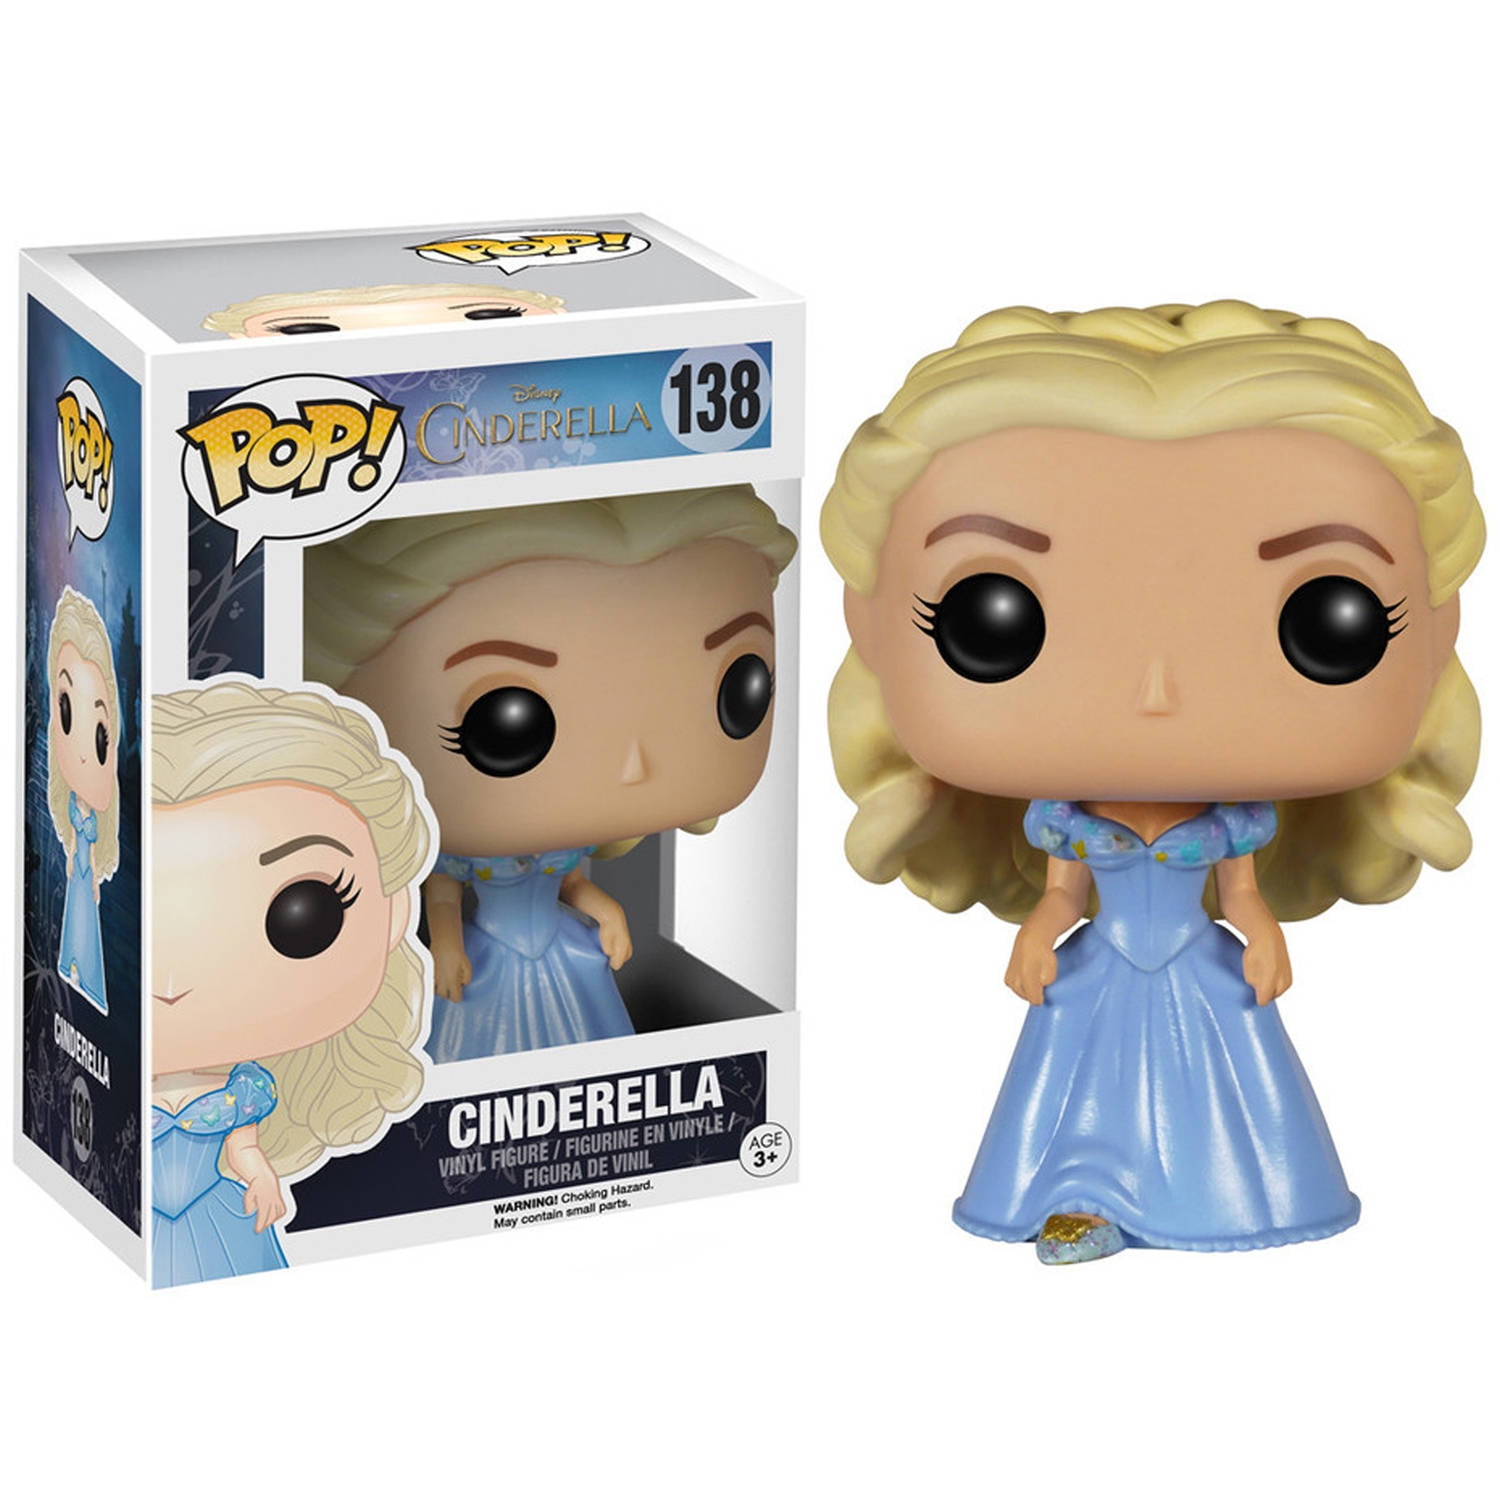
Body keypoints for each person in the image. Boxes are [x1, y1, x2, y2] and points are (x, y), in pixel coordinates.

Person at [823, 302, 1482, 1263]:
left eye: (1329, 618)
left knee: (1225, 1091)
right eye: (989, 617)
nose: (1156, 693)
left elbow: (1242, 893)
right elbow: (1062, 894)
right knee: (1074, 1084)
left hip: (1194, 961)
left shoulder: (1228, 827)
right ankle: (1081, 1197)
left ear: (1437, 624)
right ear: (870, 620)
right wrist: (1042, 928)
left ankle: (1226, 1202)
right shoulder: (1068, 825)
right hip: (1102, 961)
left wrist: (1261, 930)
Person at [305, 486, 797, 1060]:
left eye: (741, 687)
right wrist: (446, 946)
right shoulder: (463, 860)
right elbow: (442, 900)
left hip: (562, 948)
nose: (634, 766)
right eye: (505, 725)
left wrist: (606, 909)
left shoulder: (561, 850)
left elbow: (571, 884)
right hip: (492, 955)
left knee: (589, 1034)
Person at [151, 679, 433, 1286]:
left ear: (394, 913)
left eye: (302, 915)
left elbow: (244, 1148)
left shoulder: (243, 1091)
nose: (172, 984)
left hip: (215, 1215)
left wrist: (261, 1177)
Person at [47, 587, 121, 1013]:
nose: (80, 754)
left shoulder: (95, 818)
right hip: (79, 873)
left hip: (85, 875)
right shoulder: (72, 808)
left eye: (99, 736)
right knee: (74, 923)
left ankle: (85, 977)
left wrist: (91, 872)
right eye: (65, 709)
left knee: (85, 927)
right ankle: (71, 967)